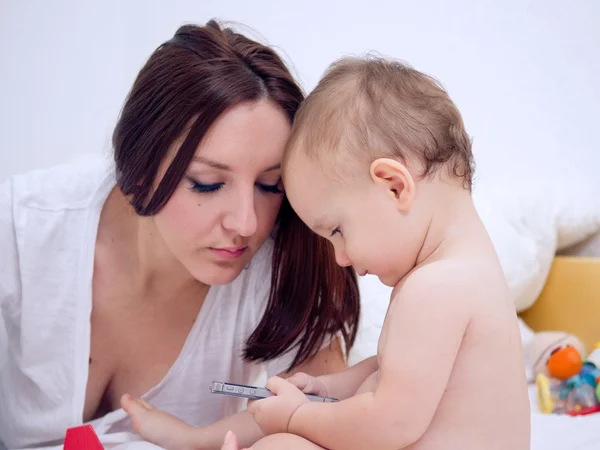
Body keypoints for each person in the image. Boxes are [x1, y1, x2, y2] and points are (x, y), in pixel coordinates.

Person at [128, 56, 531, 450]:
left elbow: (390, 422)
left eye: (337, 230)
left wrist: (296, 418)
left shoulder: (434, 288)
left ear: (394, 186)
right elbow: (393, 373)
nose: (339, 257)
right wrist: (324, 388)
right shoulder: (470, 271)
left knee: (282, 444)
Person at [0, 21, 359, 450]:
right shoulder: (22, 231)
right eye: (207, 183)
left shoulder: (281, 262)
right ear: (140, 163)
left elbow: (330, 422)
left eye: (270, 185)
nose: (246, 224)